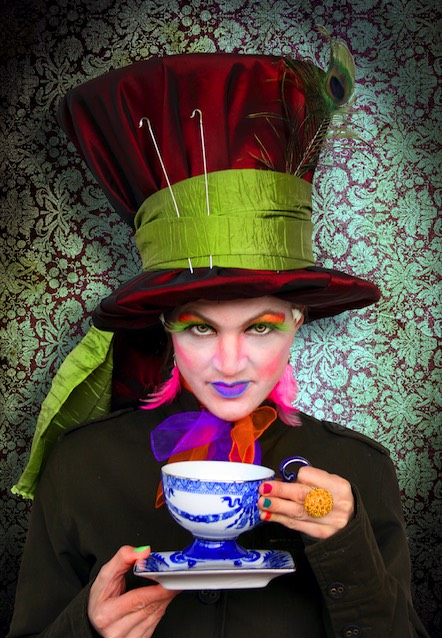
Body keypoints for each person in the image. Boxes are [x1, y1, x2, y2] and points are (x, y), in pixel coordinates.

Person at [8, 41, 429, 638]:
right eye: (201, 327)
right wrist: (87, 630)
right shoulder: (81, 467)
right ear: (166, 324)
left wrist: (346, 545)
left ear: (297, 320)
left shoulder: (356, 471)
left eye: (260, 327)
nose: (230, 363)